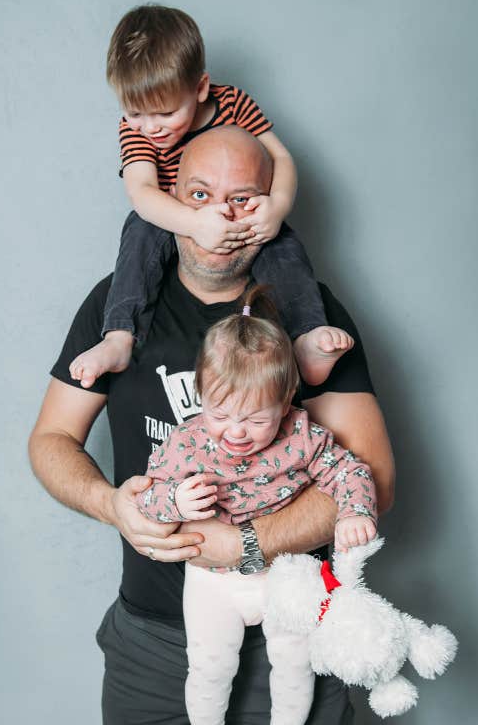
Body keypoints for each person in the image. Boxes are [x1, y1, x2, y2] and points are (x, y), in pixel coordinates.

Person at [29, 125, 395, 724]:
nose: (222, 219)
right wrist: (110, 504)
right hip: (152, 646)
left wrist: (249, 545)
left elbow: (371, 476)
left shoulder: (310, 318)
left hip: (294, 627)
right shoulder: (115, 306)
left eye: (245, 198)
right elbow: (51, 440)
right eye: (200, 195)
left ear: (273, 204)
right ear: (169, 195)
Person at [69, 4, 354, 391]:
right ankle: (119, 336)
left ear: (201, 89)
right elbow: (142, 192)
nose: (149, 127)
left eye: (166, 113)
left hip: (240, 214)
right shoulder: (135, 130)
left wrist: (277, 205)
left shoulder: (233, 103)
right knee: (139, 229)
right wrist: (195, 223)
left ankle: (305, 338)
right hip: (177, 214)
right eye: (134, 112)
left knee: (282, 244)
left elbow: (281, 156)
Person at [137, 285, 378, 725]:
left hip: (285, 573)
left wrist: (355, 512)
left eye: (255, 420)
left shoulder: (301, 435)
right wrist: (174, 499)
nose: (237, 432)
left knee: (294, 662)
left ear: (285, 403)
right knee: (210, 667)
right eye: (220, 414)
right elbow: (145, 501)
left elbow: (351, 471)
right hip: (212, 579)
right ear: (201, 393)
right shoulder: (186, 444)